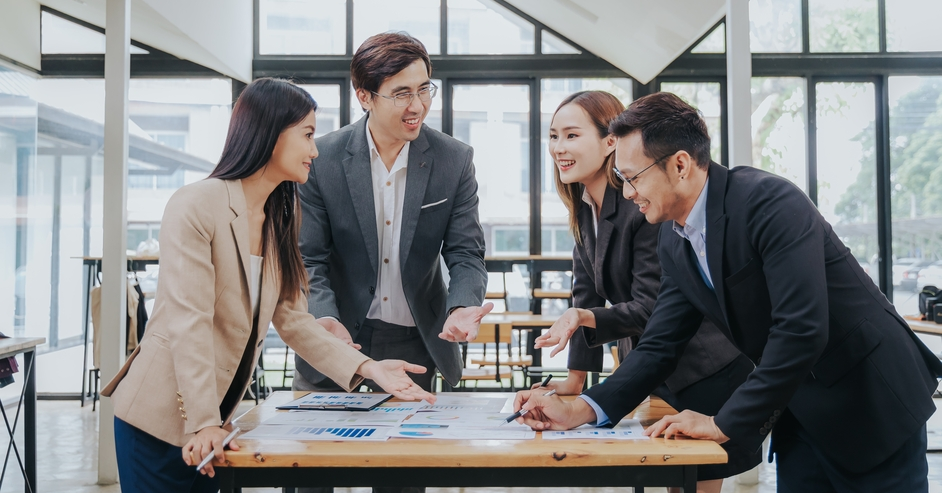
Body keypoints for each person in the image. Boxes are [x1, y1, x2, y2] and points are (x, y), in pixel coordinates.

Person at [514, 92, 942, 492]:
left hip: (871, 399)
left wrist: (723, 422)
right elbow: (660, 343)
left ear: (680, 165)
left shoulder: (769, 204)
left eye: (633, 178)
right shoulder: (673, 237)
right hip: (800, 407)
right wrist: (584, 408)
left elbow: (801, 330)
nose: (628, 193)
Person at [101, 78, 436, 493]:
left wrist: (368, 368)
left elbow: (295, 321)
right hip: (160, 421)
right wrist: (204, 420)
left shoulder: (280, 215)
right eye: (308, 135)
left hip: (212, 423)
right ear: (270, 134)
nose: (315, 150)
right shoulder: (195, 204)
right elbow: (190, 322)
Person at [534, 90, 756, 492]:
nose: (558, 148)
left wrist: (585, 319)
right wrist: (575, 378)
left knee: (692, 483)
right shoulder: (584, 206)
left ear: (609, 143)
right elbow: (585, 295)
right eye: (553, 136)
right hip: (653, 368)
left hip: (703, 367)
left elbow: (652, 307)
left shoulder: (645, 201)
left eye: (570, 135)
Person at [293, 31, 491, 396]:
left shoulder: (454, 160)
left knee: (410, 453)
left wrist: (463, 304)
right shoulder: (323, 160)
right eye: (401, 93)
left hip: (416, 340)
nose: (416, 105)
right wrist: (322, 316)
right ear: (364, 96)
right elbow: (309, 258)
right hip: (337, 335)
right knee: (323, 451)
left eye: (424, 89)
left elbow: (465, 251)